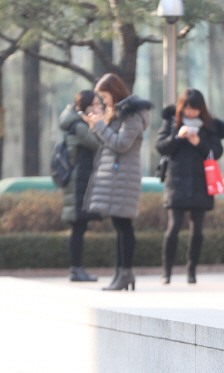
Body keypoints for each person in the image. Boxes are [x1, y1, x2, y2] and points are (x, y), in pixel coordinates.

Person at [82, 73, 153, 291]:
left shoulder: (131, 115)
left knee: (124, 225)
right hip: (116, 176)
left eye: (104, 96)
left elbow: (121, 144)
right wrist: (96, 125)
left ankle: (126, 273)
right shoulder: (118, 113)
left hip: (124, 176)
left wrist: (99, 127)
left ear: (114, 92)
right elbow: (108, 143)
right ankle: (120, 273)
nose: (103, 101)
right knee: (120, 225)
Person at [155, 89, 224, 285]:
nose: (190, 112)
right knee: (173, 227)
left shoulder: (209, 125)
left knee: (197, 230)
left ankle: (191, 270)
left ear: (201, 108)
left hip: (201, 182)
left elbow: (217, 151)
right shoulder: (172, 122)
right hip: (176, 181)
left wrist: (199, 143)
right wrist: (178, 137)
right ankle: (166, 272)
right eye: (186, 107)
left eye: (194, 108)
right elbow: (160, 146)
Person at [59, 90, 102, 282]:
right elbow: (99, 144)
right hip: (79, 183)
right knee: (78, 227)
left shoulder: (75, 123)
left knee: (79, 226)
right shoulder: (79, 126)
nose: (96, 106)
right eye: (94, 103)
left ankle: (76, 269)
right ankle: (76, 269)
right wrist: (98, 123)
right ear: (85, 105)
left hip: (79, 181)